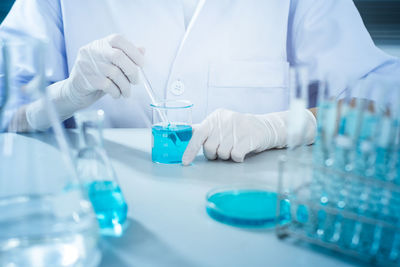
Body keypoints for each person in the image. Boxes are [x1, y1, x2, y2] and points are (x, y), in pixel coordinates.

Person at [0, 0, 399, 165]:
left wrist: (280, 127)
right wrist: (65, 95)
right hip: (102, 220)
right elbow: (6, 103)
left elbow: (385, 99)